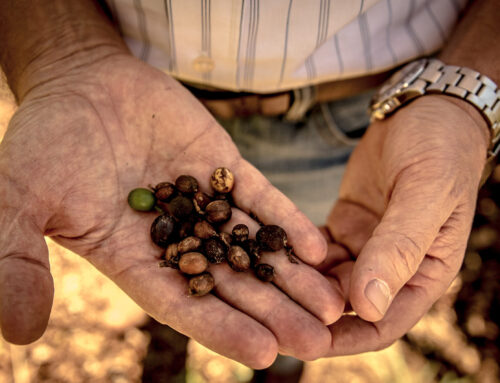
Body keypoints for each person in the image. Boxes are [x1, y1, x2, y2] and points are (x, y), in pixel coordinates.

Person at [0, 0, 498, 371]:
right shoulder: (187, 212)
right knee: (196, 287)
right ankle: (173, 328)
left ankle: (282, 367)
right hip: (128, 102)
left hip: (375, 112)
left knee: (315, 281)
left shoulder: (206, 220)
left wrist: (466, 94)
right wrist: (63, 51)